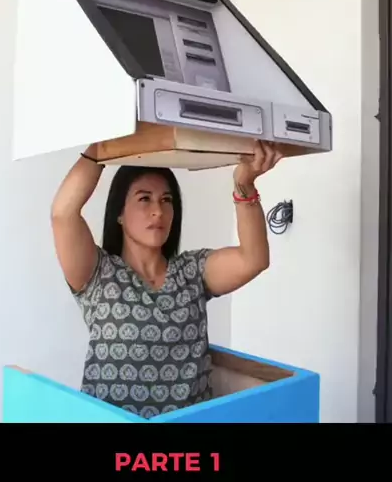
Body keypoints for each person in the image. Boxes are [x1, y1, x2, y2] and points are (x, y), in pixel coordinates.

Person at [50, 141, 283, 419]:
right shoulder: (99, 273)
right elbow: (63, 213)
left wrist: (244, 184)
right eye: (144, 199)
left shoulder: (192, 271)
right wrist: (102, 146)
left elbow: (253, 259)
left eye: (166, 200)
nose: (158, 211)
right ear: (119, 214)